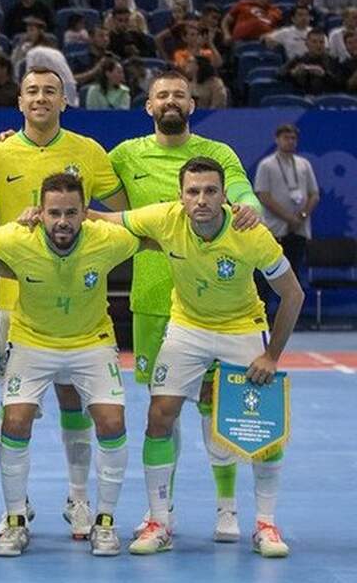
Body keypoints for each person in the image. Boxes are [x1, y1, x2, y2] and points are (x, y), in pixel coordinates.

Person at [90, 158, 304, 558]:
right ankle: (159, 520)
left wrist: (272, 356)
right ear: (180, 196)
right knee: (160, 415)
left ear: (225, 196)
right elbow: (104, 219)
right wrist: (50, 211)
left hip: (242, 327)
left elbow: (293, 294)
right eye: (193, 191)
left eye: (210, 191)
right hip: (187, 327)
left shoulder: (251, 234)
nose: (201, 199)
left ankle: (266, 524)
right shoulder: (165, 219)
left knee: (263, 425)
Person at [107, 69, 264, 541]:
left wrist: (249, 204)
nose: (171, 101)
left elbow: (239, 189)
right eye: (162, 95)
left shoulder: (217, 155)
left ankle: (227, 510)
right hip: (155, 302)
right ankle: (163, 513)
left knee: (217, 410)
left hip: (219, 304)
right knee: (162, 411)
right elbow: (76, 172)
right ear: (148, 107)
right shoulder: (126, 154)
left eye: (180, 94)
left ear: (191, 105)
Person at [0, 67, 128, 539]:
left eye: (50, 92)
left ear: (65, 100)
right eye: (32, 92)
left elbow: (119, 211)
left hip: (79, 303)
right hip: (17, 303)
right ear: (19, 102)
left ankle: (79, 498)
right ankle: (15, 509)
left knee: (74, 402)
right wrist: (11, 246)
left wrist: (83, 220)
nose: (40, 98)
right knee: (15, 411)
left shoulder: (88, 150)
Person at [0, 171, 139, 557]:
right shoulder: (13, 239)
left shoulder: (109, 240)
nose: (63, 222)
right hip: (32, 343)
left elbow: (151, 230)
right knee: (15, 420)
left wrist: (106, 219)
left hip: (91, 342)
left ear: (85, 212)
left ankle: (104, 520)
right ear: (39, 212)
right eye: (53, 213)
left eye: (72, 212)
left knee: (112, 421)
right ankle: (16, 517)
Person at [254, 124, 320, 281]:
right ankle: (266, 306)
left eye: (293, 138)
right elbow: (263, 196)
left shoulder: (304, 164)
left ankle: (292, 306)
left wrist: (302, 216)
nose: (290, 141)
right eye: (286, 138)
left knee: (294, 275)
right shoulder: (267, 165)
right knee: (267, 278)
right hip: (275, 230)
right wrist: (289, 218)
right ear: (277, 140)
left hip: (299, 229)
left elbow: (314, 194)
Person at [279, 28, 342, 95]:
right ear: (307, 43)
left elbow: (340, 82)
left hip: (326, 98)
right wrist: (292, 73)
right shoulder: (298, 59)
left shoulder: (332, 61)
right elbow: (279, 74)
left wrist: (324, 74)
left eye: (321, 42)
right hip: (300, 97)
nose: (318, 45)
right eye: (314, 42)